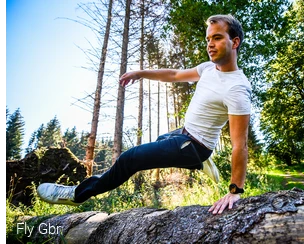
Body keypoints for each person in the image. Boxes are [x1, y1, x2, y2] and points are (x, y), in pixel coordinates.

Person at [37, 14, 251, 215]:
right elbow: (175, 74)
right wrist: (140, 73)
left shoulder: (236, 89)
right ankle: (199, 162)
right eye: (208, 39)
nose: (210, 44)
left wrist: (235, 190)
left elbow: (239, 145)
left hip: (194, 145)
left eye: (217, 38)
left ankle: (77, 194)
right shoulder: (208, 69)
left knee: (131, 158)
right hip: (184, 134)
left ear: (235, 42)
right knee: (160, 140)